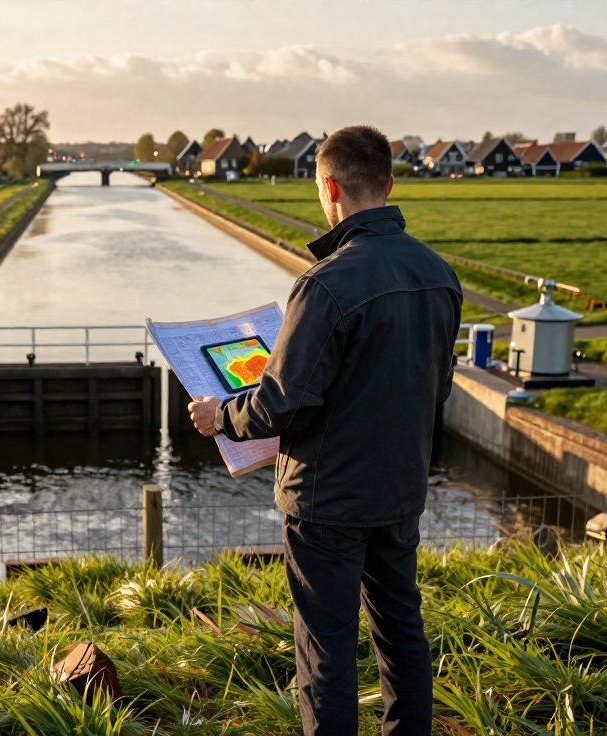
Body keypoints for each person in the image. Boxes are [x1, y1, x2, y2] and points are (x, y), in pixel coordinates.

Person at [187, 125, 462, 735]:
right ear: (389, 184)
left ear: (329, 187)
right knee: (401, 632)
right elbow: (435, 388)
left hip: (327, 500)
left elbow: (279, 407)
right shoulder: (440, 276)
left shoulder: (324, 285)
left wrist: (220, 418)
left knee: (327, 650)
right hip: (400, 490)